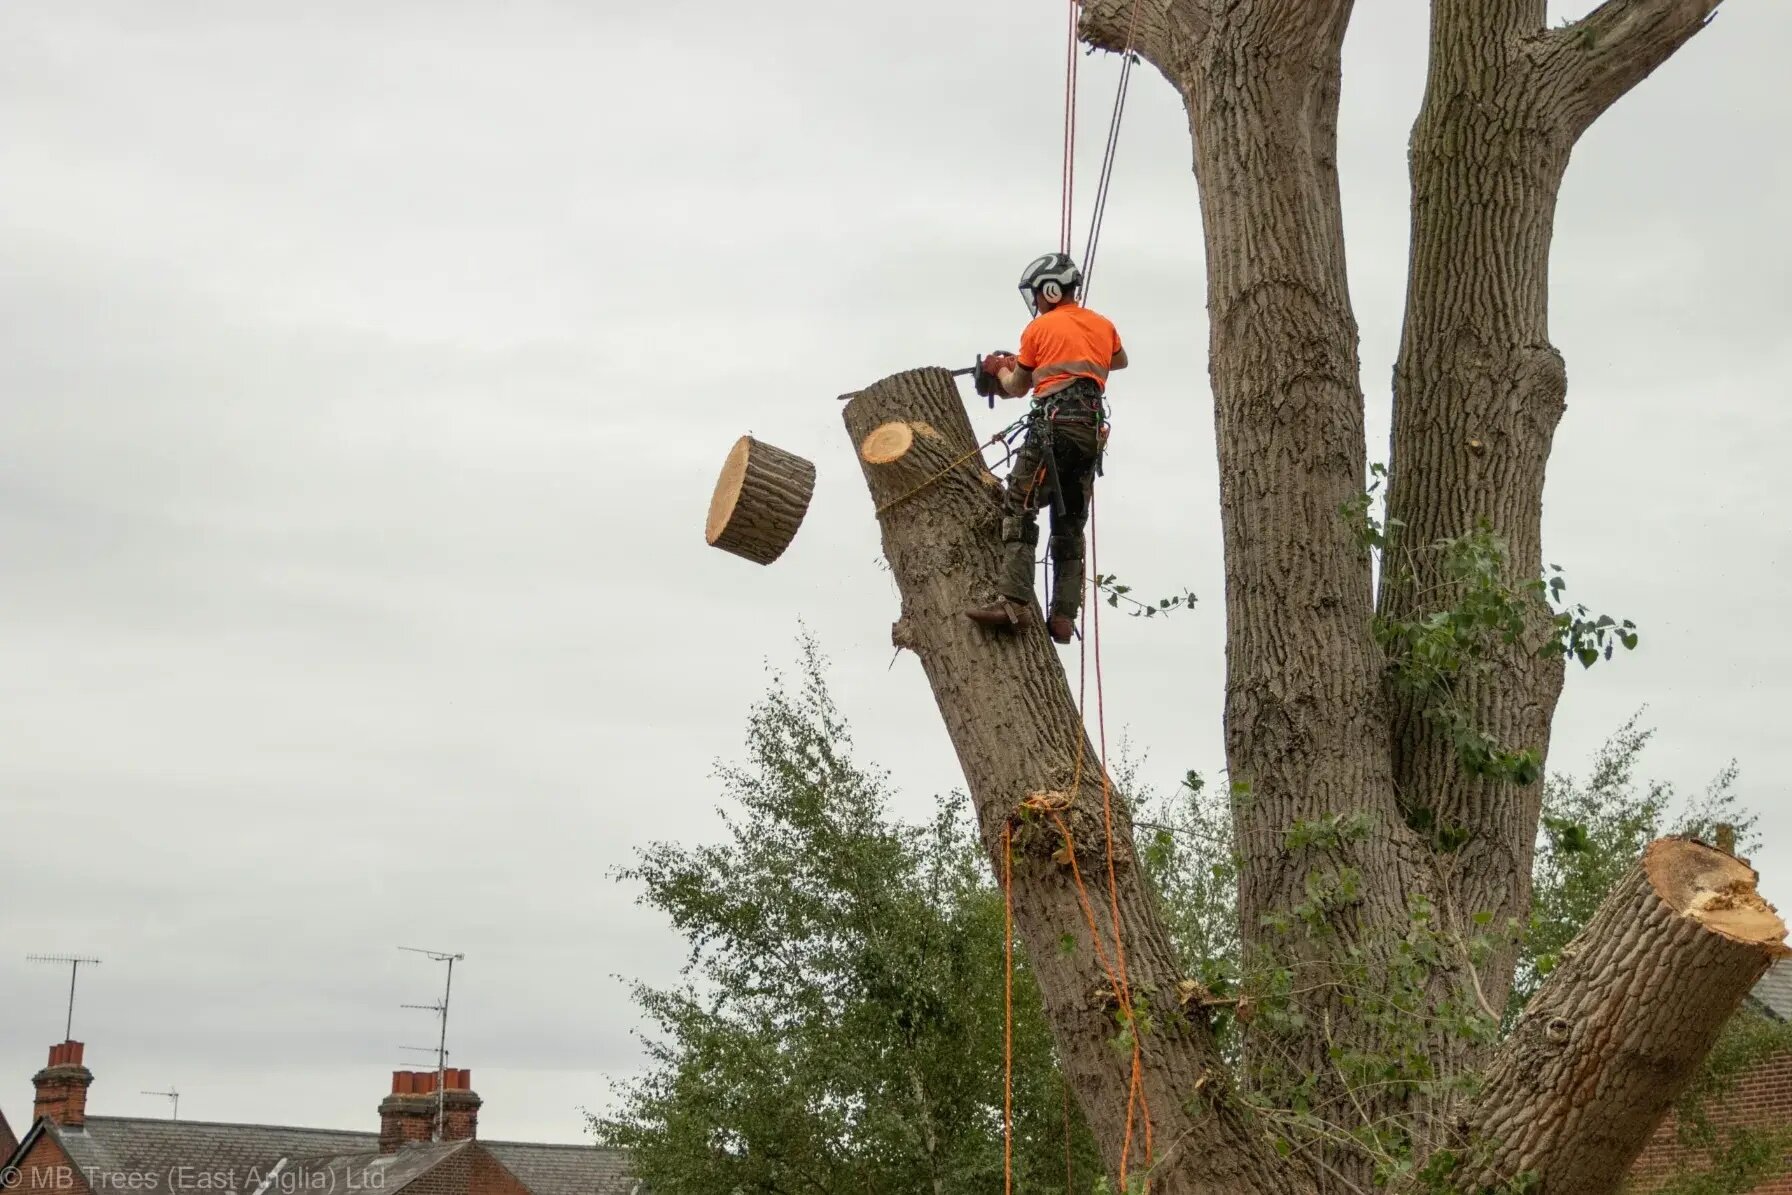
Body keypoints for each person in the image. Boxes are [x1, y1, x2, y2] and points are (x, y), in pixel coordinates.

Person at [967, 252, 1128, 645]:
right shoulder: (1103, 324)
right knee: (1070, 520)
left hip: (1052, 428)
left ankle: (1014, 602)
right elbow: (1117, 361)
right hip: (1089, 431)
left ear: (1051, 290)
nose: (1036, 302)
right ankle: (1062, 616)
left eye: (1039, 294)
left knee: (1019, 505)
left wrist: (1001, 367)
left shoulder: (1037, 330)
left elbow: (1015, 388)